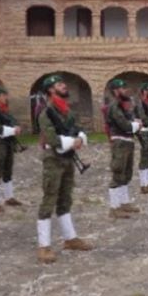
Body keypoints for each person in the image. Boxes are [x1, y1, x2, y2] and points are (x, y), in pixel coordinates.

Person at [35, 74, 93, 264]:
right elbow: (51, 139)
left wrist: (80, 138)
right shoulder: (46, 113)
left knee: (65, 198)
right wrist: (73, 141)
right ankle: (44, 246)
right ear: (51, 90)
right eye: (60, 84)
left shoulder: (67, 111)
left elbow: (78, 128)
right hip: (53, 159)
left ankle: (70, 238)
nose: (64, 86)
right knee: (49, 199)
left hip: (67, 158)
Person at [105, 78, 142, 218]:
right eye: (122, 88)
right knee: (118, 172)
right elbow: (124, 124)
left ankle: (124, 202)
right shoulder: (114, 106)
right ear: (115, 91)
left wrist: (134, 123)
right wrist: (136, 125)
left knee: (126, 173)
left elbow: (129, 121)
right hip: (119, 141)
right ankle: (114, 208)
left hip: (127, 141)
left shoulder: (123, 106)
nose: (125, 90)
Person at [0, 86, 23, 213]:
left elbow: (14, 121)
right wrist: (14, 129)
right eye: (3, 95)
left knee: (8, 170)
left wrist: (16, 126)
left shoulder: (5, 111)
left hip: (8, 142)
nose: (6, 97)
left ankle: (9, 197)